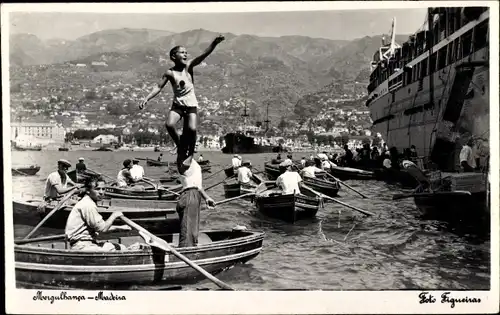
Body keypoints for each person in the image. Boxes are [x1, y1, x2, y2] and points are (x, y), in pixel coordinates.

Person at [140, 35, 225, 165]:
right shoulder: (170, 72)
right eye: (182, 52)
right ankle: (180, 145)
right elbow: (158, 86)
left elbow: (203, 55)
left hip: (191, 106)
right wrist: (146, 98)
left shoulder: (189, 67)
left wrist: (214, 43)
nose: (186, 54)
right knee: (169, 125)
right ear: (174, 56)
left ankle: (190, 154)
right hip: (178, 105)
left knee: (192, 129)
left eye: (186, 53)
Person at [65, 178, 132, 251]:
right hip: (81, 246)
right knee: (120, 249)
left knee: (121, 247)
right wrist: (114, 215)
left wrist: (121, 228)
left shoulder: (88, 201)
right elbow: (102, 229)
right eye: (97, 189)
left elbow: (99, 226)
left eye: (103, 189)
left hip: (86, 243)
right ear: (88, 190)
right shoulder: (88, 205)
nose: (101, 192)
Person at [176, 155, 216, 247]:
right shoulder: (184, 159)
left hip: (195, 194)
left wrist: (207, 198)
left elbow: (198, 186)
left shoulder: (194, 163)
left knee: (193, 233)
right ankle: (185, 254)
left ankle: (190, 250)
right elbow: (183, 165)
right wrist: (190, 146)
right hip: (189, 195)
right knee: (187, 234)